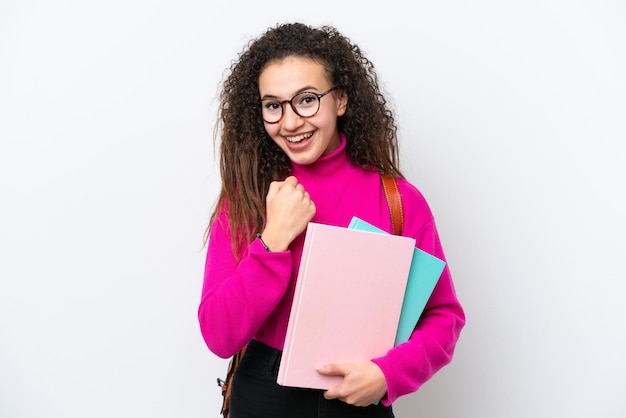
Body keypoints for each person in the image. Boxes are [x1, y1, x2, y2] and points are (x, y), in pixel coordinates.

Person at [198, 22, 465, 418]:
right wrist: (273, 240)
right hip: (264, 393)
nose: (290, 123)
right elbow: (220, 335)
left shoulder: (399, 201)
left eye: (307, 100)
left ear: (340, 100)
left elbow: (444, 317)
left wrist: (388, 374)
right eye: (273, 105)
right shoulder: (247, 199)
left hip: (361, 391)